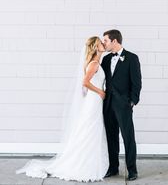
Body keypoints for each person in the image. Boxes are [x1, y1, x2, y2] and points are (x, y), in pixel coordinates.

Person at [15, 36, 109, 182]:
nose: (103, 44)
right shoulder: (94, 64)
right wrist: (100, 92)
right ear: (96, 47)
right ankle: (81, 163)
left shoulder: (97, 62)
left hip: (95, 101)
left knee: (93, 129)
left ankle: (90, 160)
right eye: (100, 43)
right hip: (94, 100)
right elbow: (85, 82)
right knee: (89, 129)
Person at [101, 29, 142, 181]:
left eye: (105, 40)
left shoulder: (132, 58)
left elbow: (137, 83)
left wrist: (132, 102)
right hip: (108, 104)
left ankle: (132, 170)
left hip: (123, 104)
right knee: (111, 137)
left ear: (114, 41)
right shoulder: (105, 59)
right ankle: (113, 168)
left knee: (128, 137)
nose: (103, 43)